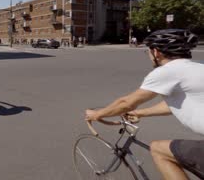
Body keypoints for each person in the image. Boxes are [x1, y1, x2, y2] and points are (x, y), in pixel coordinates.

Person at [85, 29, 204, 179]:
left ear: (156, 52)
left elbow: (126, 103)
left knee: (158, 149)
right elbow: (178, 104)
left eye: (148, 51)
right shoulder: (199, 66)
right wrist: (140, 113)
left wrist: (97, 114)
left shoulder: (168, 71)